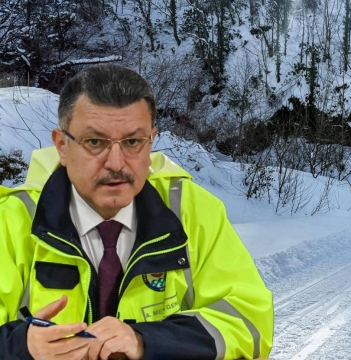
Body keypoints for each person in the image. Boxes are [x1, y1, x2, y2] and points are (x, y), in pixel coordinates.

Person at [0, 64, 273, 360]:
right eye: (95, 142)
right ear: (62, 146)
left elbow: (250, 322)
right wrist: (21, 347)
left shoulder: (191, 211)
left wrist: (148, 341)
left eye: (132, 142)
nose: (116, 163)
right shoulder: (12, 221)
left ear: (151, 141)